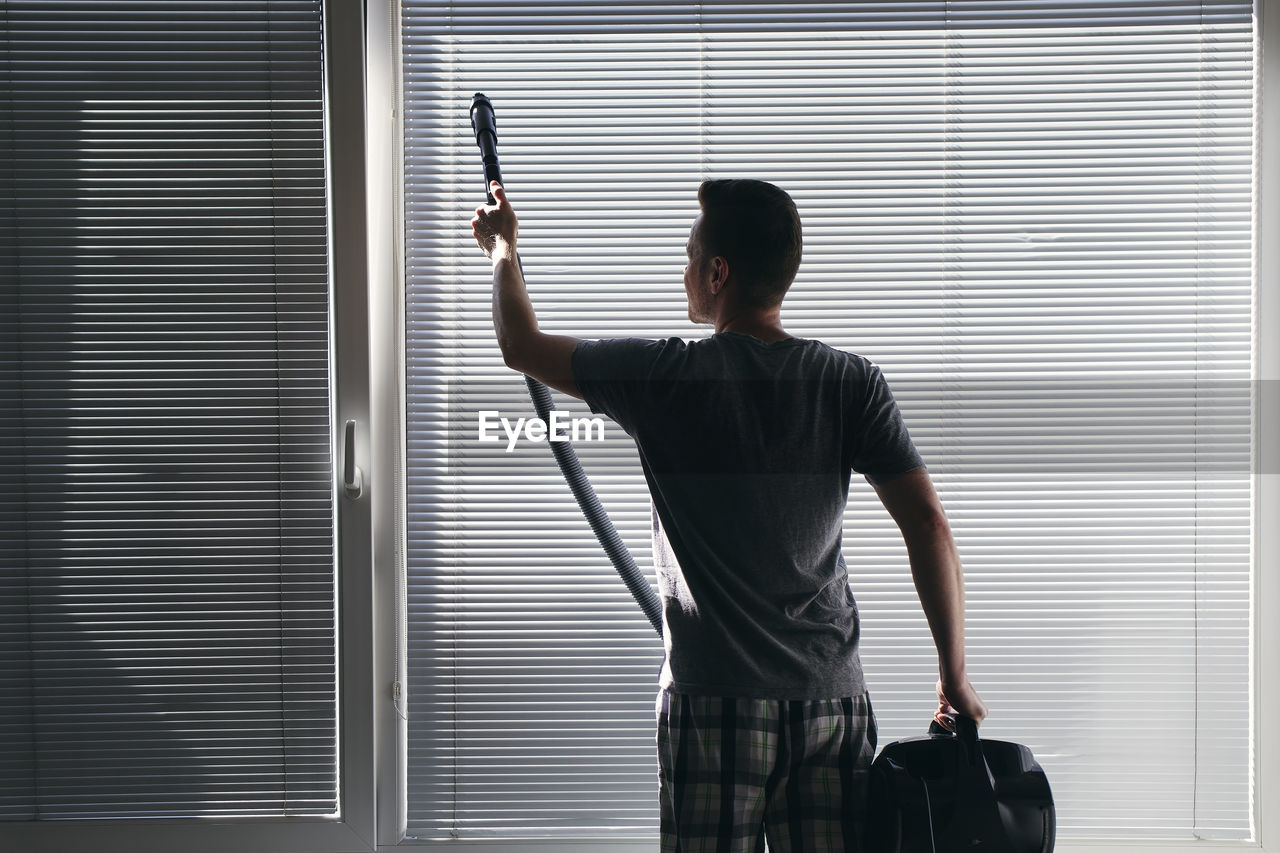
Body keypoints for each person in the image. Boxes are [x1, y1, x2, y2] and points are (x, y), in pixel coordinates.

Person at [471, 178, 987, 853]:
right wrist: (954, 674)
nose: (683, 270)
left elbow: (520, 344)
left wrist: (502, 247)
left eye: (690, 256)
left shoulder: (665, 376)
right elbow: (929, 524)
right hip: (830, 703)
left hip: (713, 707)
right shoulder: (850, 382)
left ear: (719, 272)